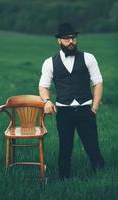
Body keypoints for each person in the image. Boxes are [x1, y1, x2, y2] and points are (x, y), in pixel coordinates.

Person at [39, 22, 105, 180]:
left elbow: (98, 82)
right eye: (67, 38)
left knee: (93, 147)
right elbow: (43, 86)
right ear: (59, 40)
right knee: (65, 149)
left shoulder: (88, 58)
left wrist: (94, 108)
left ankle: (103, 176)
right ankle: (63, 179)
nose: (71, 41)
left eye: (73, 38)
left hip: (85, 110)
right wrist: (47, 101)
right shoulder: (50, 62)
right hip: (64, 112)